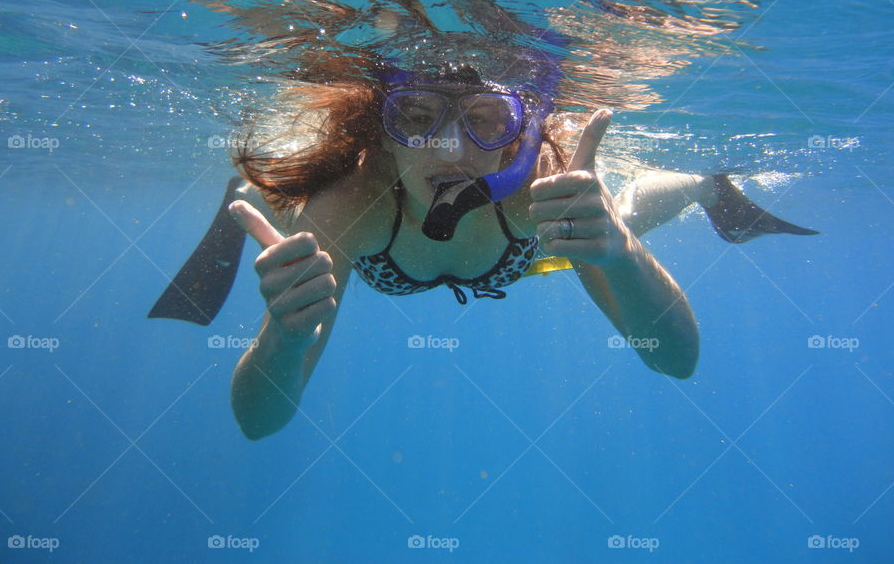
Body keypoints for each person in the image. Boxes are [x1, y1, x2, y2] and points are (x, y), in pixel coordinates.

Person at [221, 59, 817, 441]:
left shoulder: (542, 196)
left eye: (487, 120)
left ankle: (704, 186)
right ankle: (252, 190)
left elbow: (674, 359)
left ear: (520, 135)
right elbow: (258, 422)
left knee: (624, 212)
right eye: (419, 117)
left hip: (532, 253)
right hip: (423, 231)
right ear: (383, 131)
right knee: (288, 195)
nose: (452, 148)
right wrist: (285, 335)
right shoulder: (350, 205)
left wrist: (619, 251)